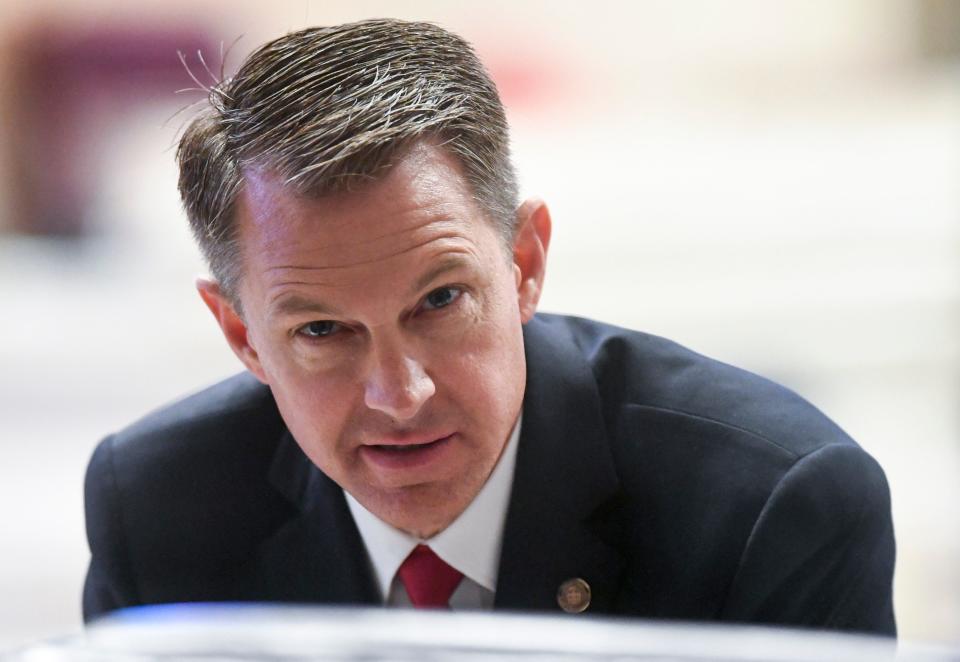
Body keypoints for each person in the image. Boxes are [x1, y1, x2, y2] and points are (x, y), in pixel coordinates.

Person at [83, 18, 896, 635]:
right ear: (241, 336)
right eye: (324, 331)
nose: (400, 395)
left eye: (439, 302)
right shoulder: (157, 509)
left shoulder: (773, 505)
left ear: (524, 262)